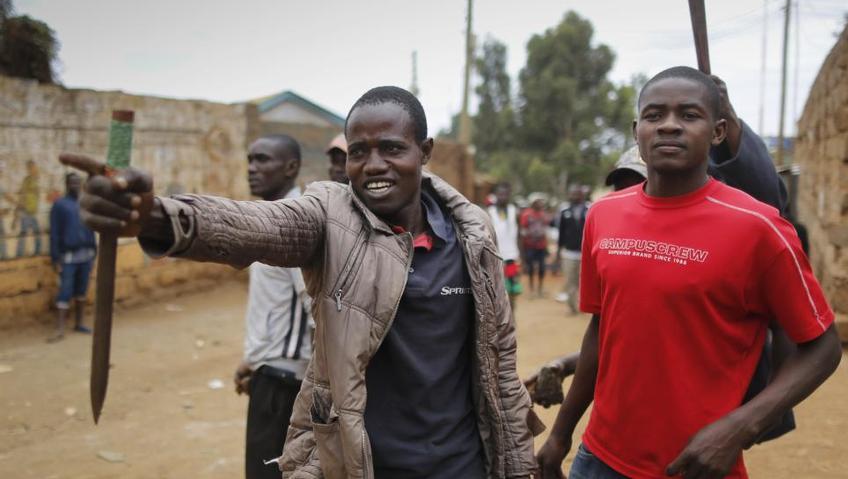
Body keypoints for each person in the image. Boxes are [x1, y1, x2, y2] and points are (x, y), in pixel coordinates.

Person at [63, 86, 538, 478]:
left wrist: (520, 467)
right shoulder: (331, 217)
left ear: (425, 152)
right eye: (358, 152)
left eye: (392, 148)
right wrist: (158, 217)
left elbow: (499, 370)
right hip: (358, 466)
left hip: (462, 467)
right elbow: (253, 226)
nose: (373, 165)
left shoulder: (473, 233)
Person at [536, 66, 841, 479]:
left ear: (717, 132)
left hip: (697, 466)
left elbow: (823, 348)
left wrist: (740, 426)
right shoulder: (603, 216)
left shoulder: (759, 228)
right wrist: (561, 434)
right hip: (599, 459)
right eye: (655, 115)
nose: (669, 126)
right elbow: (601, 330)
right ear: (636, 129)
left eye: (689, 115)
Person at [231, 135, 313, 479]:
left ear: (291, 167)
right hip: (271, 372)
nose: (252, 168)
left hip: (285, 383)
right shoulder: (271, 218)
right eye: (250, 159)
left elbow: (315, 306)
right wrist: (253, 362)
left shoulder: (293, 224)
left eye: (263, 160)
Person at [47, 172, 96, 342]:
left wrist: (94, 252)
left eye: (78, 183)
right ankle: (60, 328)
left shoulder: (85, 203)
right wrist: (55, 258)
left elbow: (91, 227)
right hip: (68, 258)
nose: (75, 186)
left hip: (86, 256)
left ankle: (79, 323)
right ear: (67, 185)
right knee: (65, 292)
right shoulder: (60, 205)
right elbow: (54, 233)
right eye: (72, 183)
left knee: (81, 291)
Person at [553, 184, 590, 314]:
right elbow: (561, 234)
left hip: (586, 253)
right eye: (572, 193)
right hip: (568, 253)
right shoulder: (564, 211)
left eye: (577, 193)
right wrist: (558, 253)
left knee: (585, 281)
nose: (574, 195)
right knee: (570, 281)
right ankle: (572, 307)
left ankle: (584, 306)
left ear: (582, 195)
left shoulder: (590, 209)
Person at [487, 181, 522, 311]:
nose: (503, 197)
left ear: (509, 195)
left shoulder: (515, 211)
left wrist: (521, 255)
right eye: (500, 194)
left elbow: (519, 235)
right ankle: (500, 320)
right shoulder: (489, 212)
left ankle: (512, 319)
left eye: (505, 194)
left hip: (512, 257)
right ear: (495, 195)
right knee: (497, 289)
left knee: (513, 290)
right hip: (496, 257)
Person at [519, 193, 551, 298]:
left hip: (541, 246)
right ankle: (532, 289)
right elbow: (523, 231)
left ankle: (540, 289)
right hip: (530, 246)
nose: (540, 204)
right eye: (538, 202)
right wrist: (523, 247)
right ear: (532, 203)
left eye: (541, 202)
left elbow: (546, 230)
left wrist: (546, 245)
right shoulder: (526, 215)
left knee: (542, 268)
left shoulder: (543, 215)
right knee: (531, 268)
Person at [16, 160, 42, 257]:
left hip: (32, 212)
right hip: (26, 211)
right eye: (33, 168)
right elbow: (22, 195)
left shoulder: (34, 180)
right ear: (29, 169)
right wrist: (19, 208)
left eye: (35, 167)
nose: (35, 169)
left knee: (36, 232)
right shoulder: (27, 180)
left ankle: (37, 252)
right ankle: (20, 254)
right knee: (24, 233)